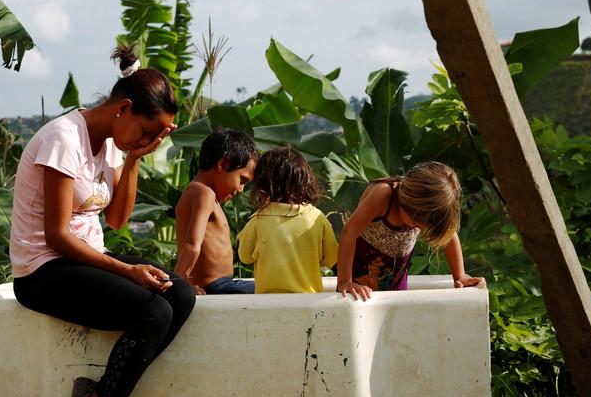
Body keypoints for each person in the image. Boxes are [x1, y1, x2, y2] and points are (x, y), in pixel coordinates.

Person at [10, 45, 195, 397]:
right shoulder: (63, 139)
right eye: (147, 132)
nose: (148, 142)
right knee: (153, 308)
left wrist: (133, 160)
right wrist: (126, 271)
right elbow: (56, 236)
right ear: (124, 108)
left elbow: (116, 218)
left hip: (88, 258)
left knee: (180, 294)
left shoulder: (113, 144)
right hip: (43, 269)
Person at [336, 161, 483, 301]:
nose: (420, 227)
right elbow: (349, 233)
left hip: (396, 283)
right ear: (406, 202)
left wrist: (460, 277)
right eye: (418, 222)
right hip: (357, 281)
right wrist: (345, 281)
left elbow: (450, 235)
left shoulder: (421, 211)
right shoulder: (383, 195)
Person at [236, 145, 338, 293]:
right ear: (305, 180)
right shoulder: (317, 217)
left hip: (268, 306)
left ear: (261, 183)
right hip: (309, 305)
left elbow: (244, 257)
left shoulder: (257, 221)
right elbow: (331, 259)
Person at [175, 129, 258, 294]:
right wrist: (179, 283)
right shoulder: (204, 193)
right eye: (242, 180)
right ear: (223, 164)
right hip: (217, 286)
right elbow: (192, 244)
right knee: (279, 288)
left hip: (223, 284)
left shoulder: (200, 193)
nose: (241, 190)